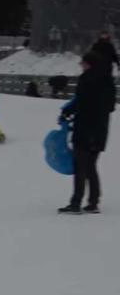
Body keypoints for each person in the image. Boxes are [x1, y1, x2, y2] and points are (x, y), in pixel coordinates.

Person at [59, 51, 116, 214]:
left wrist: (68, 112)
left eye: (82, 62)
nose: (80, 65)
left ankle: (76, 203)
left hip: (85, 129)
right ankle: (93, 202)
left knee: (80, 166)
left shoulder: (87, 79)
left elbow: (81, 102)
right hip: (100, 131)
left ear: (89, 64)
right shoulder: (107, 81)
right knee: (90, 166)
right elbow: (110, 106)